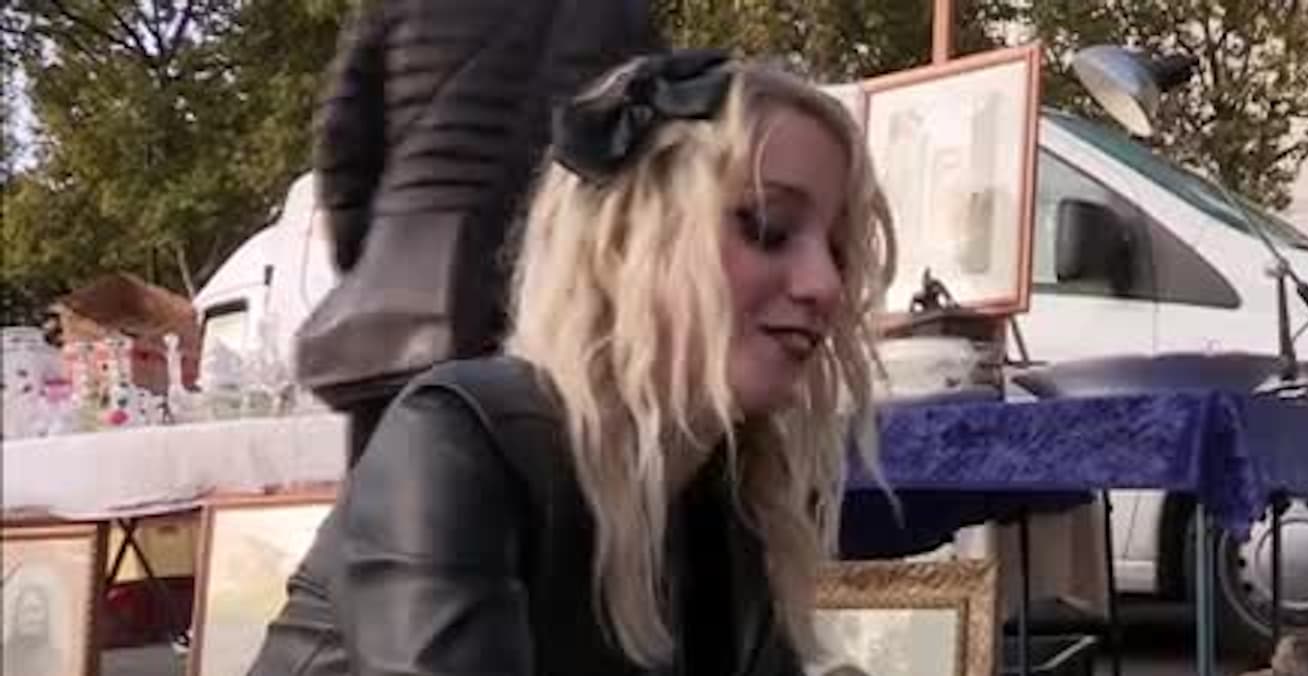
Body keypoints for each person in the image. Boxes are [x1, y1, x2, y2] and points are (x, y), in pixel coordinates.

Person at [249, 50, 896, 675]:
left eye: (838, 249)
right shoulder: (456, 442)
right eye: (767, 227)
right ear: (626, 241)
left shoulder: (730, 503)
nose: (825, 284)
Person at [291, 0, 668, 464]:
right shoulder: (617, 11)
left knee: (387, 490)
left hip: (410, 301)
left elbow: (342, 153)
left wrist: (373, 263)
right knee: (554, 484)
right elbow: (648, 164)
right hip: (557, 298)